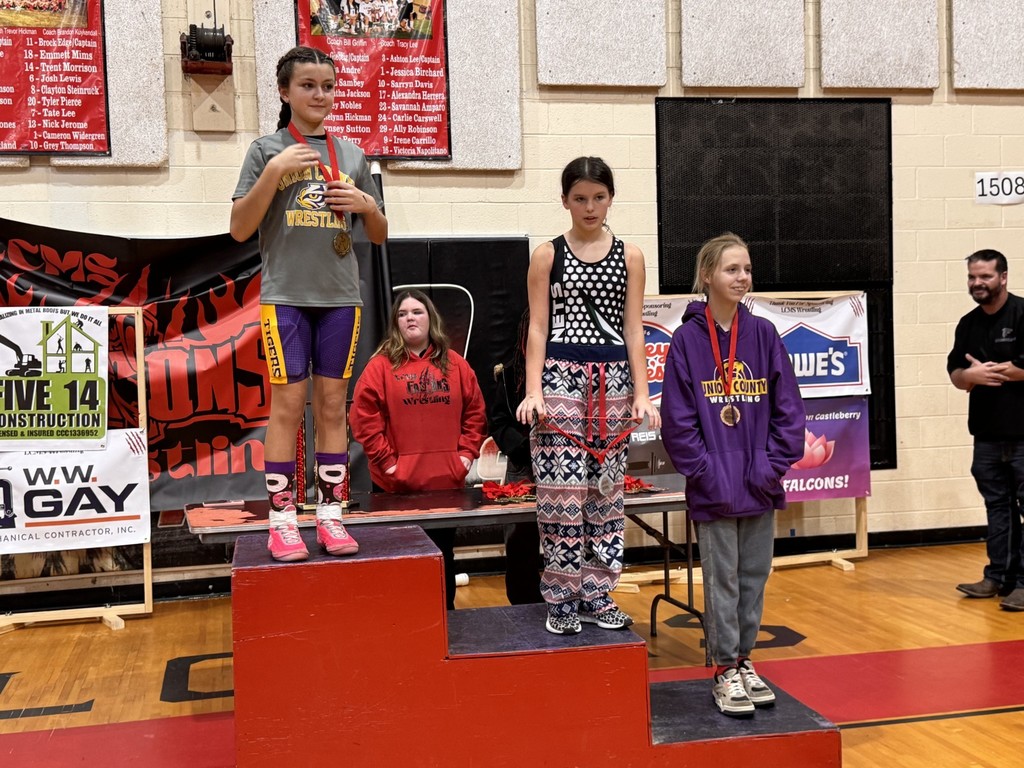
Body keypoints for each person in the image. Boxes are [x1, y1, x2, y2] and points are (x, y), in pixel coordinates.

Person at [230, 46, 388, 562]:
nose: (320, 95)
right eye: (307, 85)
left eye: (328, 86)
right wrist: (275, 170)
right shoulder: (266, 150)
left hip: (341, 298)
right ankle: (282, 522)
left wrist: (367, 205)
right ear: (285, 91)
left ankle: (331, 516)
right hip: (287, 298)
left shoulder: (353, 156)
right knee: (287, 406)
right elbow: (239, 228)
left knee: (332, 406)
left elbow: (380, 235)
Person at [660, 232, 805, 717]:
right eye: (731, 269)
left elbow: (789, 410)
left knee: (754, 577)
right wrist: (705, 471)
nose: (742, 277)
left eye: (746, 269)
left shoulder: (763, 334)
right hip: (715, 486)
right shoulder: (686, 340)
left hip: (759, 481)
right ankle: (724, 669)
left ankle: (745, 660)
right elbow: (678, 421)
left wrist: (771, 465)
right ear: (707, 276)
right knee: (721, 579)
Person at [516, 156, 660, 635]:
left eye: (599, 197)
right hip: (560, 376)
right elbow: (538, 327)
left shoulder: (630, 256)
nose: (590, 207)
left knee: (606, 491)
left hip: (613, 380)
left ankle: (597, 594)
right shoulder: (547, 255)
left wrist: (643, 393)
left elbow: (634, 329)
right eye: (580, 198)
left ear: (611, 198)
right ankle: (561, 597)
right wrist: (534, 390)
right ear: (565, 201)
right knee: (561, 492)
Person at [350, 289, 487, 609]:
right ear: (395, 323)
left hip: (445, 485)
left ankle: (448, 623)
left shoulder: (456, 365)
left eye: (417, 312)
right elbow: (363, 419)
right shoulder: (380, 367)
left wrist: (465, 456)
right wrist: (388, 464)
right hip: (395, 487)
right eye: (402, 314)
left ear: (431, 319)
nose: (409, 318)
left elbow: (475, 412)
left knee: (442, 559)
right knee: (401, 562)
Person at [947, 249, 1024, 611]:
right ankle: (998, 576)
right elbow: (956, 375)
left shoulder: (1023, 314)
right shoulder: (968, 323)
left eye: (985, 276)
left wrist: (988, 372)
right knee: (997, 507)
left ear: (1003, 277)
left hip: (1023, 435)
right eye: (972, 277)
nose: (977, 283)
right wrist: (971, 375)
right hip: (986, 435)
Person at [490, 310, 543, 604]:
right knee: (521, 542)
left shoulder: (568, 370)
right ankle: (523, 604)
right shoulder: (509, 375)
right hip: (522, 466)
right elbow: (498, 422)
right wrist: (523, 447)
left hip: (565, 464)